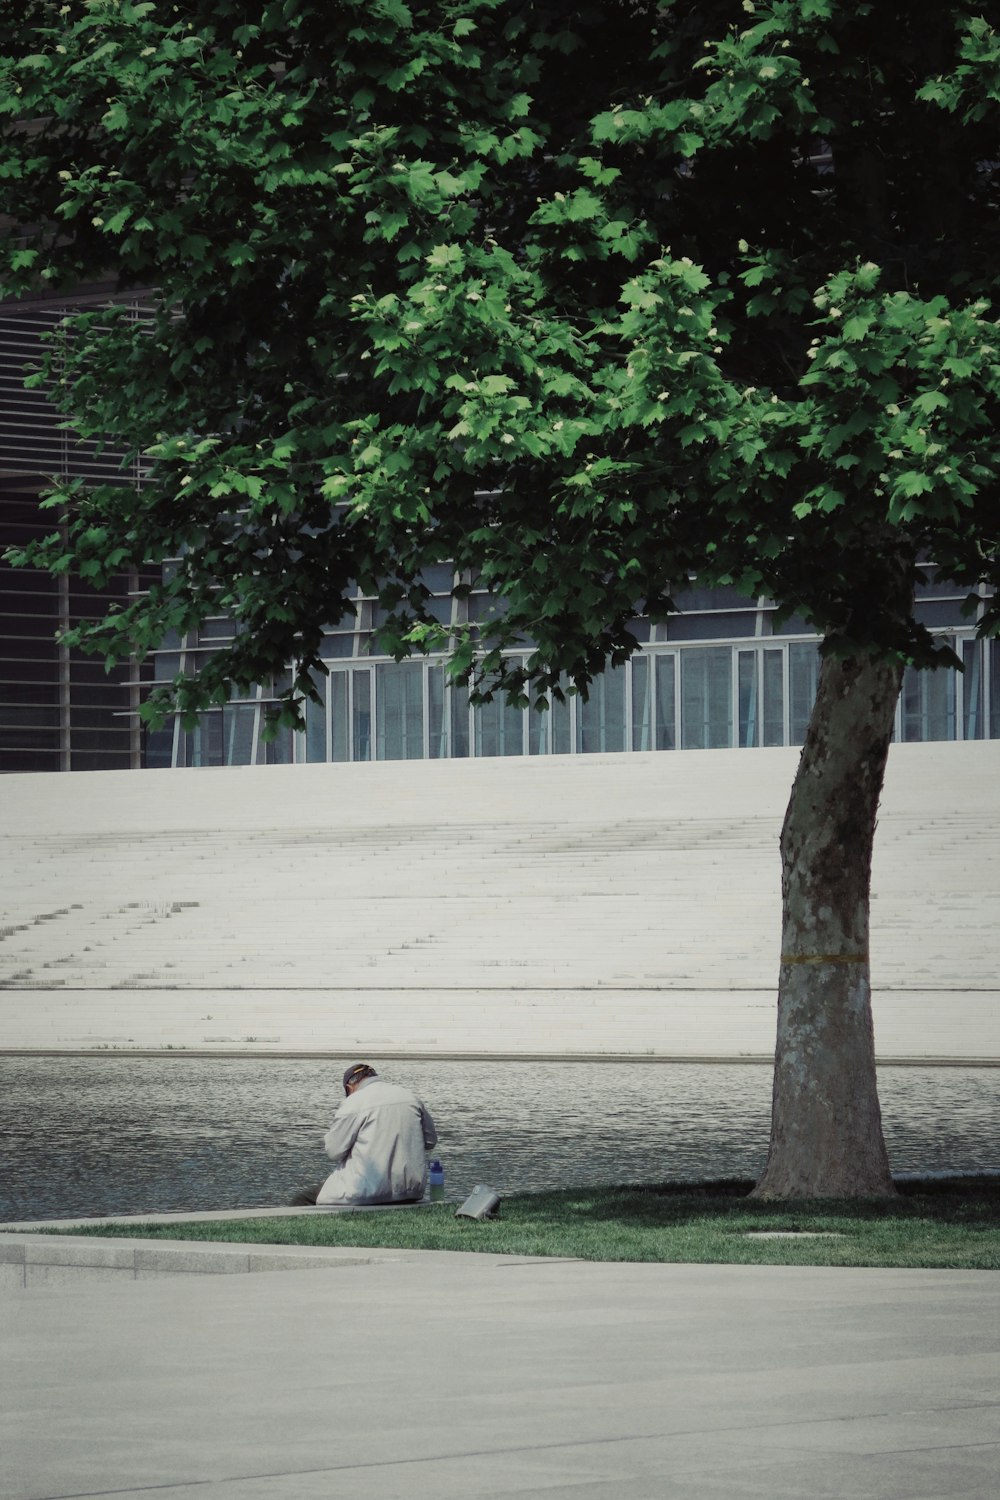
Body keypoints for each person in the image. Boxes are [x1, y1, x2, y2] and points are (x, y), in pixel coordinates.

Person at [289, 1063, 438, 1207]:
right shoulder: (410, 1097)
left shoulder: (354, 1101)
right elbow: (430, 1141)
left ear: (349, 1087)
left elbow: (334, 1151)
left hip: (364, 1191)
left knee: (301, 1200)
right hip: (410, 1191)